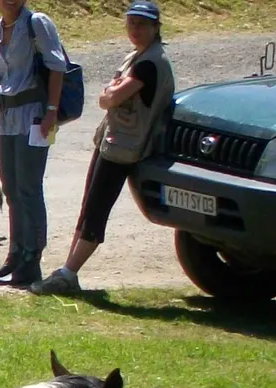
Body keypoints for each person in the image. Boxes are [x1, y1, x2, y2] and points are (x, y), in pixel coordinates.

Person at [33, 0, 172, 296]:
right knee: (89, 206)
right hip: (112, 141)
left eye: (143, 24)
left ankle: (69, 274)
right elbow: (108, 95)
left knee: (96, 209)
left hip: (125, 146)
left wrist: (111, 92)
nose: (135, 29)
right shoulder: (138, 56)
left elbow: (109, 98)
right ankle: (67, 271)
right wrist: (111, 93)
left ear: (156, 28)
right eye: (132, 22)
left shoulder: (149, 62)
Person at [0, 0, 71, 288]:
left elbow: (57, 67)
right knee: (11, 188)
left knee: (29, 188)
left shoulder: (37, 23)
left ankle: (32, 260)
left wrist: (52, 112)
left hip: (33, 115)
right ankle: (15, 256)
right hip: (6, 117)